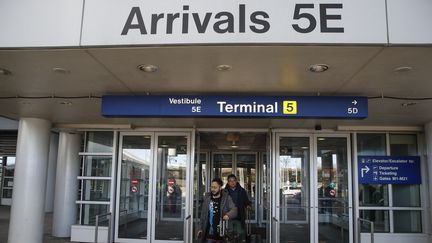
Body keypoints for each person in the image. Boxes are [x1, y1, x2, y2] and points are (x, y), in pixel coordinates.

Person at [197, 178, 238, 243]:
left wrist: (228, 215)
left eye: (215, 187)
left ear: (220, 188)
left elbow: (235, 210)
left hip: (222, 235)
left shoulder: (226, 198)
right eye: (212, 187)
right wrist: (200, 228)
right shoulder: (207, 198)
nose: (213, 189)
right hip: (209, 235)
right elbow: (203, 215)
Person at [225, 174, 251, 241]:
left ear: (236, 181)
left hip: (239, 215)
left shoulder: (242, 191)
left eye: (234, 180)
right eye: (230, 181)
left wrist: (248, 205)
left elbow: (246, 201)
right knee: (229, 233)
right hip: (228, 215)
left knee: (240, 233)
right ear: (228, 182)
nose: (232, 182)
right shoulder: (224, 192)